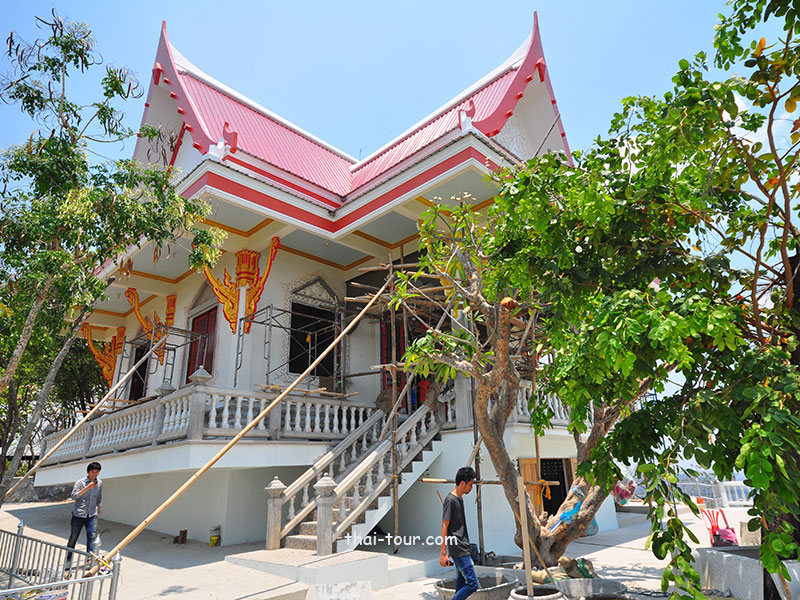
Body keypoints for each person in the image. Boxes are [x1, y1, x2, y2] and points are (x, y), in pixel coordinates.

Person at [439, 466, 478, 600]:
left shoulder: (459, 499)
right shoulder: (451, 500)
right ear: (462, 483)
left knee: (461, 585)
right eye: (470, 484)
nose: (471, 488)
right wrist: (443, 553)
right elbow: (444, 526)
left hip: (463, 547)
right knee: (472, 584)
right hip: (459, 549)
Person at [67, 462, 102, 559]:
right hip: (79, 514)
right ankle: (69, 558)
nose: (94, 474)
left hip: (92, 514)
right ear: (88, 472)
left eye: (97, 472)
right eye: (92, 472)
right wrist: (87, 488)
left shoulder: (99, 483)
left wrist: (98, 511)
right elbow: (74, 496)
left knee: (92, 537)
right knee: (73, 537)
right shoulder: (80, 482)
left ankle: (89, 559)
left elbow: (99, 498)